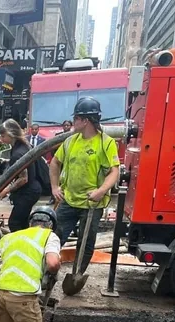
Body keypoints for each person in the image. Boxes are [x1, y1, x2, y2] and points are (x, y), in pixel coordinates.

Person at [49, 96, 120, 274]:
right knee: (54, 237)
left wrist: (101, 191)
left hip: (92, 203)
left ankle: (77, 275)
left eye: (76, 119)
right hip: (69, 199)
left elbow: (114, 171)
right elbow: (55, 163)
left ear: (85, 120)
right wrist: (55, 188)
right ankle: (47, 271)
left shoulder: (106, 143)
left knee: (86, 242)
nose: (73, 122)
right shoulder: (71, 141)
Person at [0, 120, 42, 231]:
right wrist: (8, 161)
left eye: (3, 136)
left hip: (27, 192)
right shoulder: (24, 145)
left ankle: (20, 245)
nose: (1, 139)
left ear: (11, 134)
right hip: (32, 190)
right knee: (23, 222)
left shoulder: (18, 152)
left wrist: (6, 190)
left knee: (14, 223)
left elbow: (23, 178)